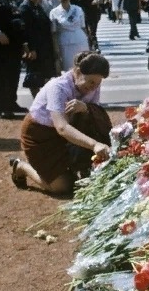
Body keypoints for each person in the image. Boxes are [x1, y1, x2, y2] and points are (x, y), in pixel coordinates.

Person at [9, 51, 112, 195]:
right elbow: (62, 128)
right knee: (62, 187)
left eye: (98, 83)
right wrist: (94, 145)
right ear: (77, 72)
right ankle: (21, 167)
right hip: (40, 136)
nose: (94, 87)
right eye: (91, 82)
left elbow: (94, 115)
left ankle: (77, 165)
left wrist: (86, 108)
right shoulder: (58, 87)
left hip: (67, 135)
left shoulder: (93, 85)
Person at [19, 0, 57, 97]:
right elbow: (26, 31)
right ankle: (38, 103)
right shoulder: (25, 8)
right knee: (33, 78)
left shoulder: (38, 7)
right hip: (34, 48)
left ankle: (43, 102)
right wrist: (31, 49)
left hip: (44, 47)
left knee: (45, 76)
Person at [50, 0, 89, 73]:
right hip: (64, 43)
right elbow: (54, 33)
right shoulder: (54, 12)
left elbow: (83, 27)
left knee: (83, 66)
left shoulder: (78, 9)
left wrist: (89, 42)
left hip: (80, 40)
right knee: (69, 69)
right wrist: (56, 49)